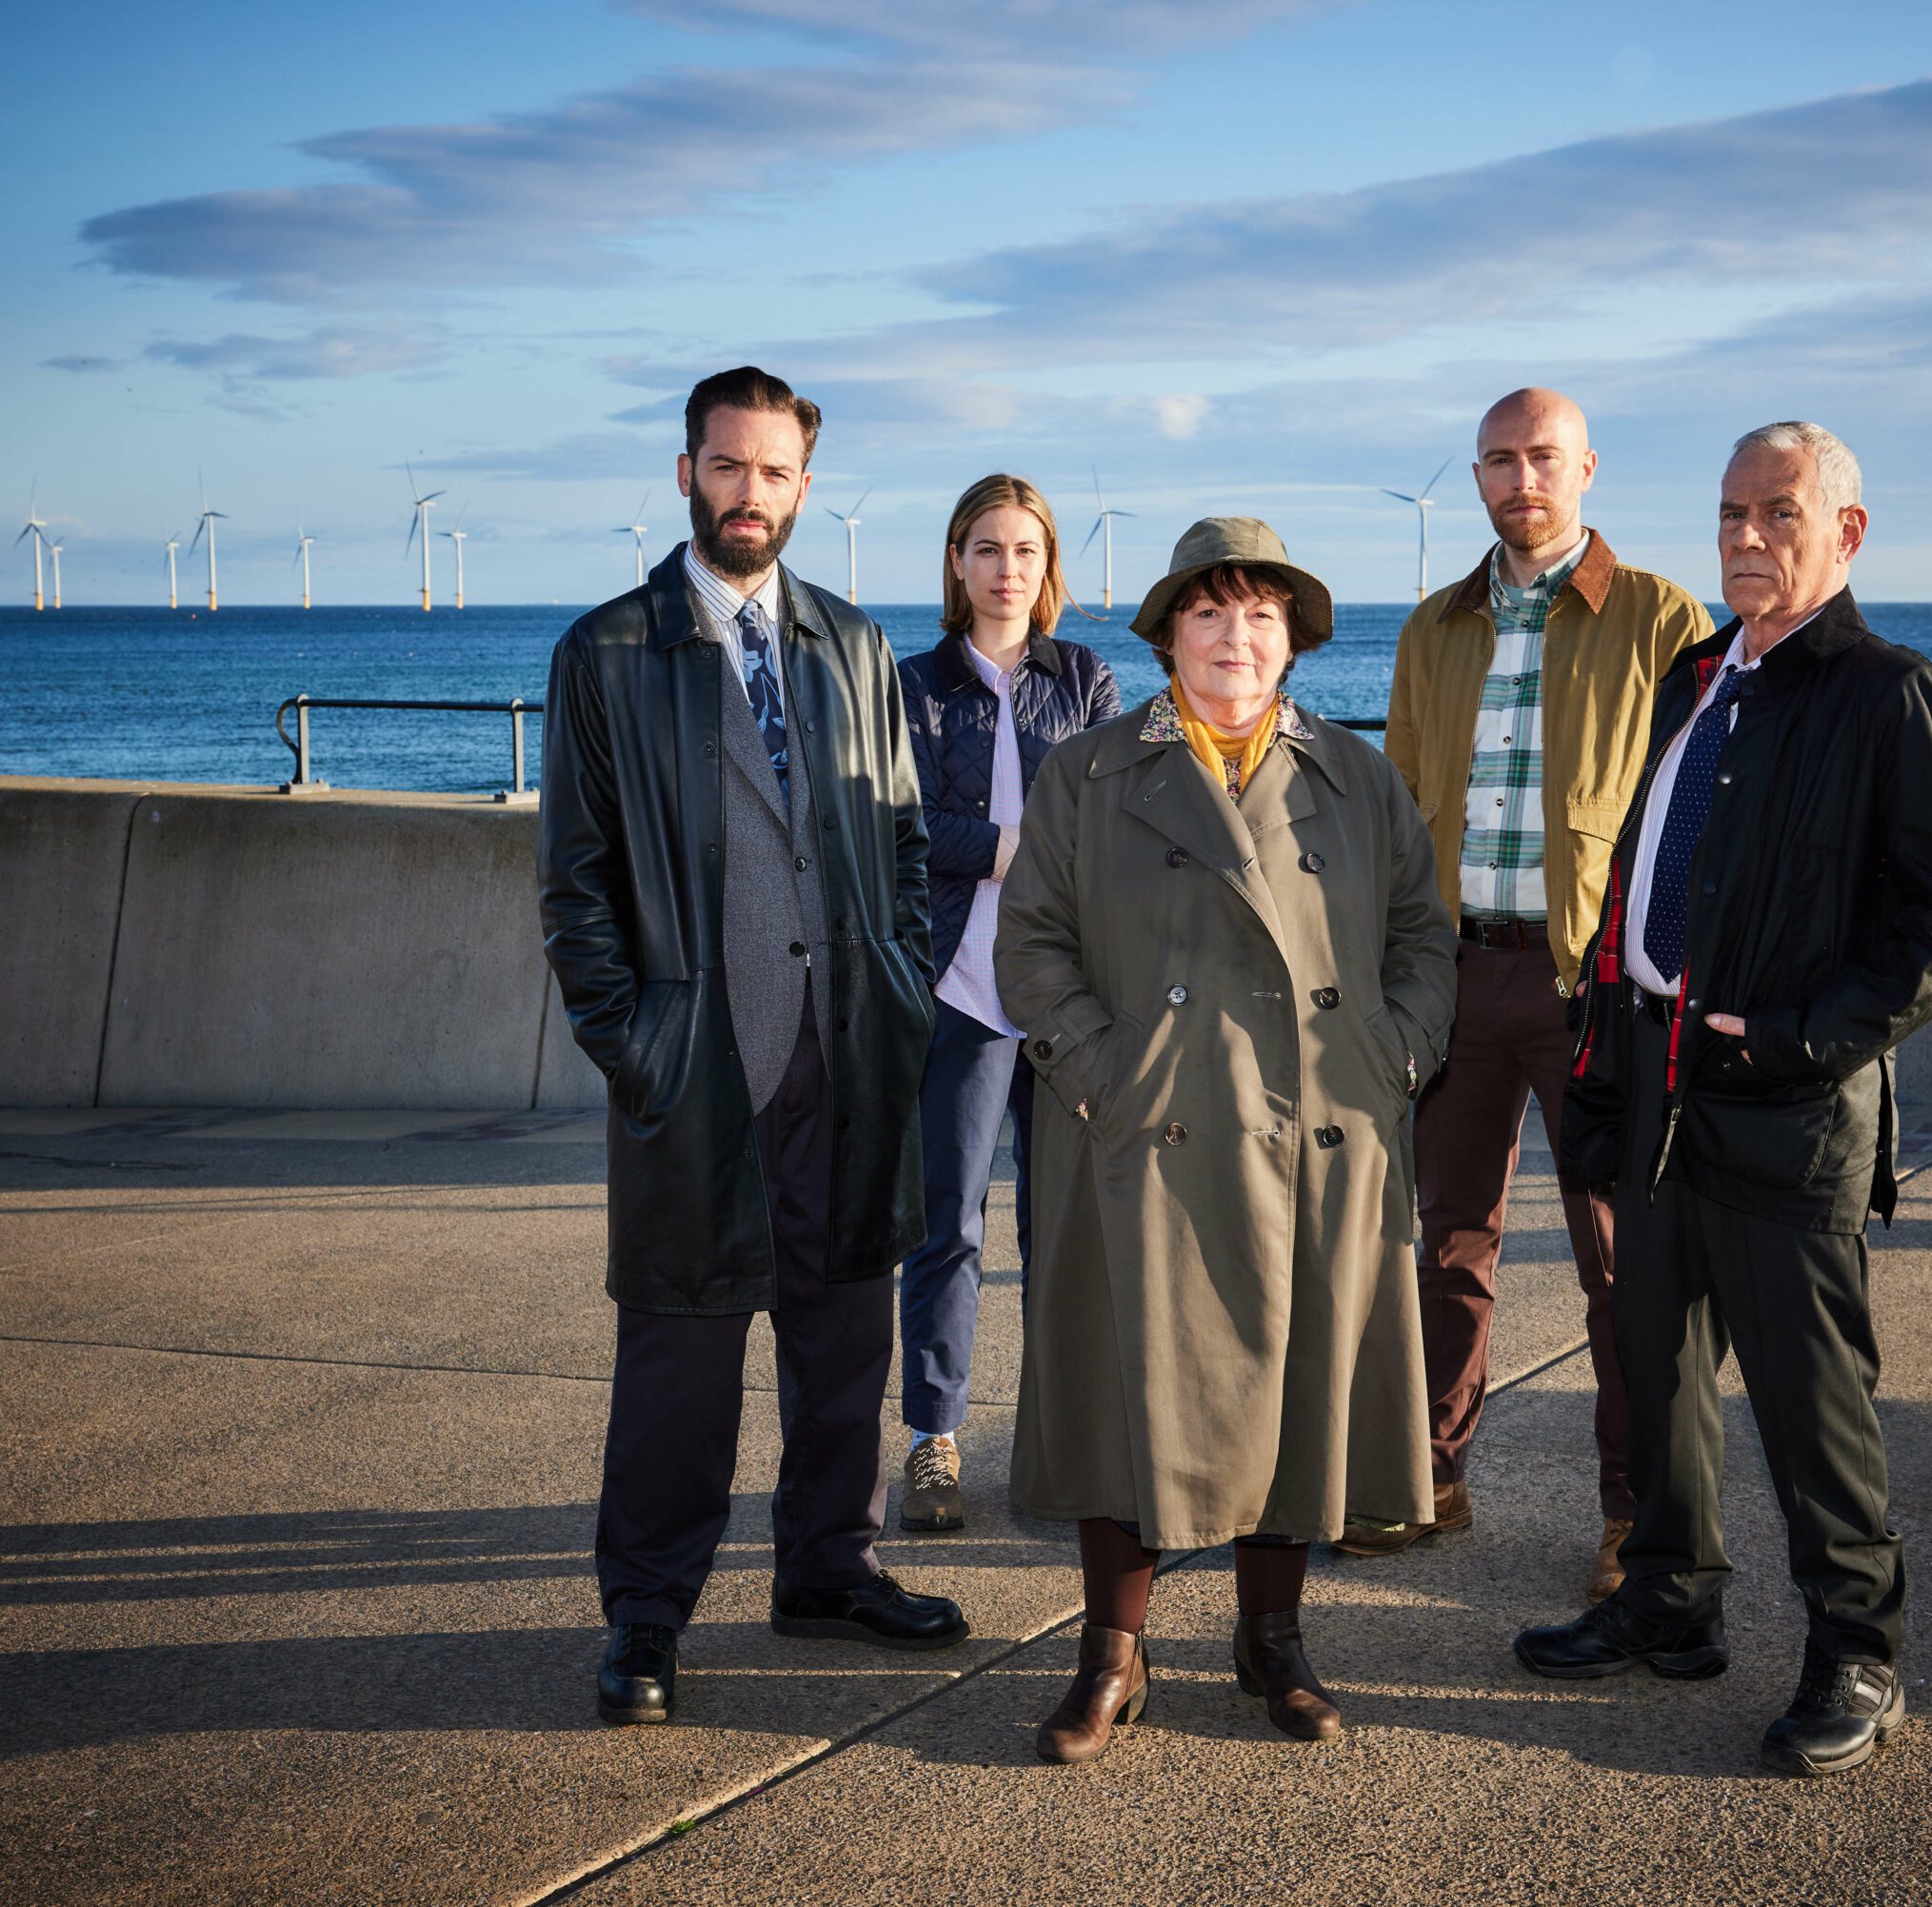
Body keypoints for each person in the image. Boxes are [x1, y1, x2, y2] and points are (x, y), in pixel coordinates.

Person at [1512, 422, 1932, 1778]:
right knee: (1655, 1368)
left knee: (1808, 1397)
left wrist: (1796, 1036)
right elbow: (1636, 882)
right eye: (1729, 511)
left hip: (1791, 1105)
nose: (1743, 536)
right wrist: (1610, 1061)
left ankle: (1858, 1647)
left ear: (1846, 532)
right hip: (1660, 1075)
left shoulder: (1891, 695)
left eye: (1778, 512)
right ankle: (1669, 1602)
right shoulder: (1695, 677)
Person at [539, 365, 967, 1729]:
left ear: (802, 484)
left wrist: (898, 989)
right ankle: (648, 1615)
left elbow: (899, 840)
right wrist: (640, 1043)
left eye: (775, 471)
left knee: (844, 1334)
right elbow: (577, 882)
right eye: (728, 466)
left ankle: (830, 1569)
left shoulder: (850, 643)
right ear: (685, 474)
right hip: (698, 1063)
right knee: (680, 1357)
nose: (750, 493)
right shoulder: (608, 651)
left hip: (843, 1055)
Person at [997, 517, 1458, 1762]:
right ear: (1166, 635)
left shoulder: (1358, 778)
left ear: (1295, 638)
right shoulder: (1087, 772)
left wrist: (1393, 1059)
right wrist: (1106, 1073)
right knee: (1117, 1387)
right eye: (1210, 613)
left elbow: (1424, 936)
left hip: (1314, 1134)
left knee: (1294, 1388)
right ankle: (1111, 1652)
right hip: (1144, 1128)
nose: (1236, 637)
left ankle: (1274, 1639)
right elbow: (1030, 945)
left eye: (1261, 615)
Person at [1349, 387, 1713, 1602]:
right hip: (1456, 973)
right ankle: (1430, 1475)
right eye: (1499, 460)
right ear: (1475, 475)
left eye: (1543, 456)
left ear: (1589, 467)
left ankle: (1630, 1514)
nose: (1522, 479)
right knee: (1445, 1243)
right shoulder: (1430, 628)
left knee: (1619, 1255)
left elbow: (1696, 809)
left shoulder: (1661, 615)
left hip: (1590, 982)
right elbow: (1398, 808)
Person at [892, 476, 1121, 1532]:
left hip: (1066, 997)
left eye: (1024, 549)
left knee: (1062, 1230)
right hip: (959, 990)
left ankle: (1062, 1437)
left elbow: (1119, 820)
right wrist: (1014, 849)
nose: (1005, 567)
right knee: (950, 1227)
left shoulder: (1086, 680)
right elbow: (899, 825)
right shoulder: (913, 686)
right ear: (955, 560)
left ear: (1048, 563)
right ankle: (933, 1440)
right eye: (985, 547)